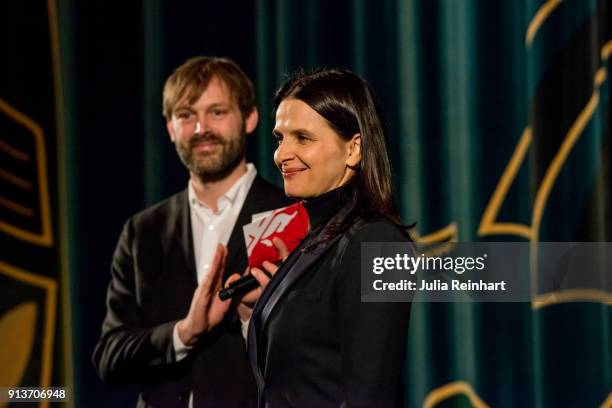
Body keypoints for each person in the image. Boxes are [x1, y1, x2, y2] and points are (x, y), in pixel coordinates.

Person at [92, 56, 291, 407]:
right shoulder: (143, 231)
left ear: (250, 118)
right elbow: (109, 357)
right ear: (170, 128)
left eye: (217, 112)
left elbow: (322, 358)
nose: (201, 129)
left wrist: (250, 319)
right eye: (186, 115)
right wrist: (184, 333)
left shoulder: (289, 217)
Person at [247, 68, 413, 407]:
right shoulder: (317, 236)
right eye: (280, 138)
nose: (281, 154)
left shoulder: (376, 242)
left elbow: (371, 395)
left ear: (353, 150)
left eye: (303, 138)